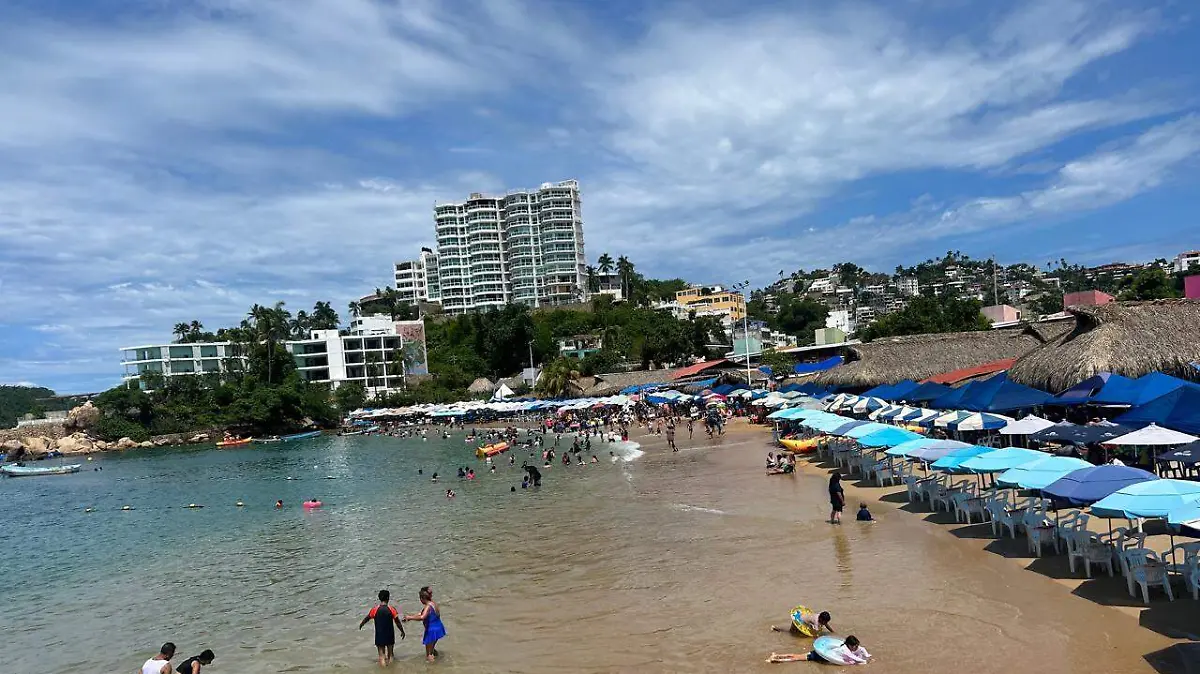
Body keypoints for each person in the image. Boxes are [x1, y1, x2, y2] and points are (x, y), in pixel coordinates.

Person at [358, 589, 404, 667]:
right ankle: (392, 670)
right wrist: (402, 631)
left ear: (379, 598)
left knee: (381, 656)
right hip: (390, 635)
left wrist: (362, 624)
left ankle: (384, 670)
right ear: (388, 598)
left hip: (379, 635)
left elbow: (367, 618)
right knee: (391, 654)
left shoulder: (374, 609)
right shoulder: (392, 609)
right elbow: (397, 622)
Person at [404, 586, 446, 662]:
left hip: (431, 630)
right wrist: (409, 617)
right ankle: (438, 662)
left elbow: (422, 617)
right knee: (432, 649)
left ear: (422, 598)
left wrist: (410, 618)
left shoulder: (428, 606)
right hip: (438, 628)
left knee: (428, 654)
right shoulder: (433, 603)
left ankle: (432, 669)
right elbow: (421, 613)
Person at [767, 635, 870, 665]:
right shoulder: (845, 650)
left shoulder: (844, 645)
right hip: (820, 656)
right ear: (850, 645)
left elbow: (862, 648)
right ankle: (776, 659)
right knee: (796, 657)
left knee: (797, 655)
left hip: (822, 652)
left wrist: (867, 655)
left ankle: (777, 655)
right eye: (855, 646)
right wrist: (865, 661)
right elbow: (852, 657)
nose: (857, 648)